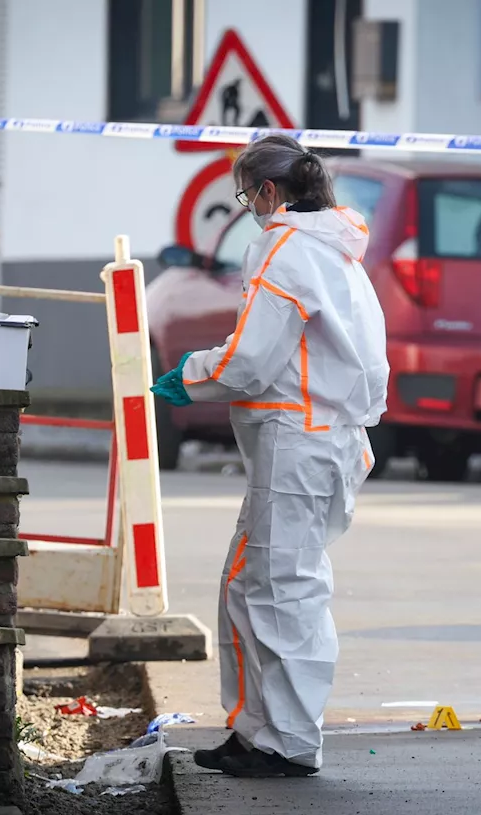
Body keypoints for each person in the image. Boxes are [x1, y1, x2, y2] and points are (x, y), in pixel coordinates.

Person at [150, 135, 389, 778]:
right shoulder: (338, 252)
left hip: (298, 443)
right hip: (319, 441)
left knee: (282, 595)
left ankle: (286, 742)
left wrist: (191, 373)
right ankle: (256, 731)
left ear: (268, 192)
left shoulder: (285, 247)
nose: (250, 207)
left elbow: (252, 360)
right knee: (250, 588)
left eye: (247, 195)